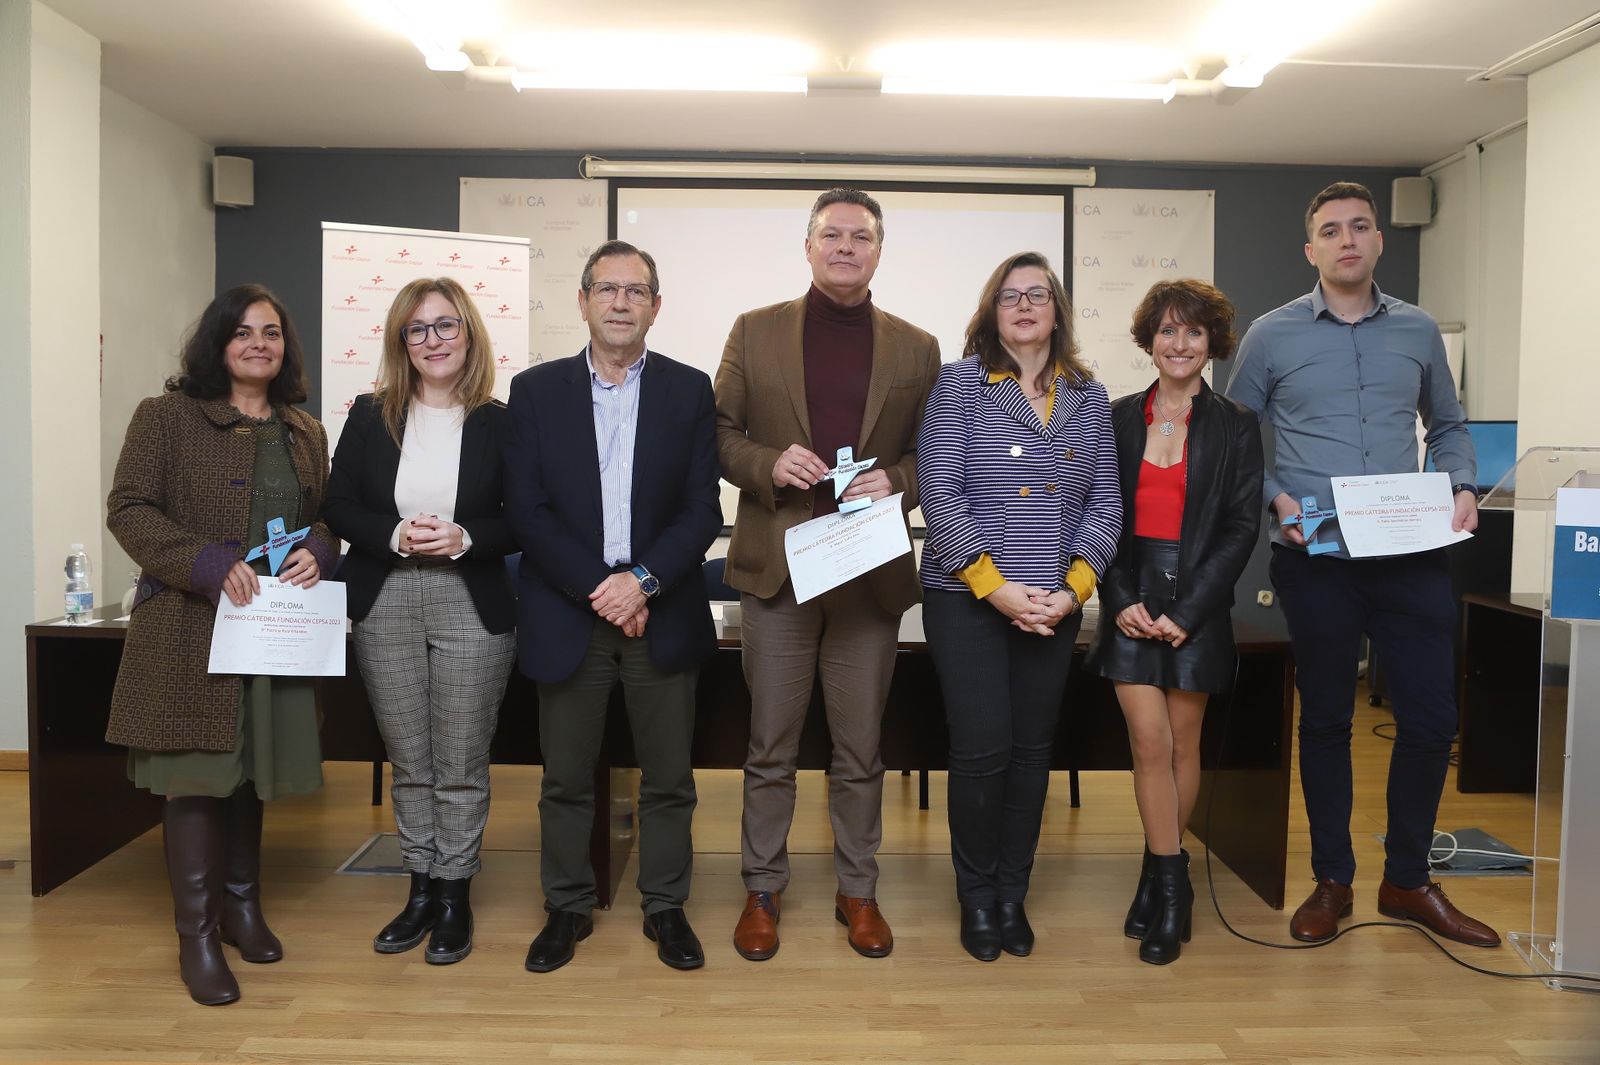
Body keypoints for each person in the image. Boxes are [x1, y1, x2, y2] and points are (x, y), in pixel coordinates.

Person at [1226, 181, 1498, 948]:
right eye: (1330, 230)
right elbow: (1235, 443)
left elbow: (1447, 426)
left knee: (1431, 717)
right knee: (1328, 719)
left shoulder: (1416, 331)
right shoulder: (1271, 336)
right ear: (1310, 249)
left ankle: (1407, 878)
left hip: (1411, 553)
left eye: (1360, 226)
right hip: (1316, 559)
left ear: (1378, 240)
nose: (1347, 240)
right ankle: (1333, 879)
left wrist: (1465, 483)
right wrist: (1275, 500)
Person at [716, 188, 940, 961]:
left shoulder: (917, 346)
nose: (846, 247)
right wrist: (769, 462)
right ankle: (762, 887)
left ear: (879, 251)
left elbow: (929, 454)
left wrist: (899, 482)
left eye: (861, 237)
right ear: (809, 246)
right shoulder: (755, 329)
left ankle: (859, 889)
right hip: (779, 569)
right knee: (770, 744)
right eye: (832, 235)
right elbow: (719, 432)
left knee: (861, 748)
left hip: (867, 572)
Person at [105, 284, 337, 1005]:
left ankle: (241, 906)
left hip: (272, 632)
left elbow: (322, 518)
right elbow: (128, 508)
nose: (258, 343)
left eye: (271, 332)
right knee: (200, 776)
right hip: (187, 628)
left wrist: (322, 553)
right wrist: (204, 564)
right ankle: (198, 935)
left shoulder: (305, 430)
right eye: (242, 332)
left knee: (249, 769)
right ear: (217, 343)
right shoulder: (166, 417)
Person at [506, 241, 721, 973]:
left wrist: (644, 581)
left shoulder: (691, 392)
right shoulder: (534, 392)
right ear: (584, 300)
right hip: (571, 611)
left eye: (637, 291)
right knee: (565, 776)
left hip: (661, 608)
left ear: (656, 306)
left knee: (670, 778)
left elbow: (702, 508)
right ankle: (566, 905)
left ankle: (666, 904)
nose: (622, 302)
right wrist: (603, 589)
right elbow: (526, 511)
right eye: (608, 288)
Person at [917, 251, 1121, 962]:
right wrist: (996, 588)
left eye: (1038, 294)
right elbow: (940, 498)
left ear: (1058, 309)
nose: (1026, 305)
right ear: (991, 310)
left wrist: (1072, 590)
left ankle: (1012, 892)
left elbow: (1104, 505)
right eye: (1010, 296)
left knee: (1033, 753)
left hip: (1052, 605)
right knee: (983, 751)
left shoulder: (1089, 397)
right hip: (969, 597)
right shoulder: (959, 385)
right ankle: (976, 898)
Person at [324, 277, 518, 966]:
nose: (433, 340)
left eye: (446, 326)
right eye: (418, 329)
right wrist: (394, 534)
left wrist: (465, 537)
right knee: (410, 758)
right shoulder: (369, 414)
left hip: (470, 597)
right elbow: (338, 503)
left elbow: (522, 518)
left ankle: (456, 891)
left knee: (461, 759)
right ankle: (420, 887)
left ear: (469, 334)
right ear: (400, 341)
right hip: (387, 597)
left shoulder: (502, 420)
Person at [1086, 279, 1262, 965]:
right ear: (1149, 340)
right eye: (1166, 330)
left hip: (1199, 603)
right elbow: (1099, 509)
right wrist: (1120, 593)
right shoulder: (1118, 416)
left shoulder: (1237, 422)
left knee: (1185, 745)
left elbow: (1242, 526)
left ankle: (1159, 872)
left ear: (1210, 341)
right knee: (1149, 741)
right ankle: (1173, 882)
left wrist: (1189, 611)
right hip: (1130, 591)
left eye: (1192, 332)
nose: (1179, 343)